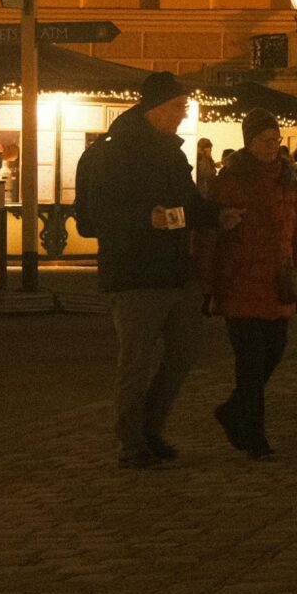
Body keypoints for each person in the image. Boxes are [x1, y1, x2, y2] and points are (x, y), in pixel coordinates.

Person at [77, 71, 236, 469]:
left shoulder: (172, 153)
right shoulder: (115, 152)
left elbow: (189, 205)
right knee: (135, 362)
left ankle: (150, 427)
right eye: (179, 107)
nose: (184, 114)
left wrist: (217, 215)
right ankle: (131, 441)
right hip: (134, 274)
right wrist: (144, 218)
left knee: (184, 353)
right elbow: (96, 216)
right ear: (156, 108)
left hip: (176, 270)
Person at [197, 110, 297, 457]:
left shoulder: (287, 179)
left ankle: (234, 411)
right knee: (250, 362)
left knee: (274, 351)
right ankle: (253, 434)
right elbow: (210, 236)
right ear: (249, 142)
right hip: (240, 280)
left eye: (276, 139)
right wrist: (206, 284)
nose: (272, 145)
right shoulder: (231, 180)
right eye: (265, 139)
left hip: (278, 281)